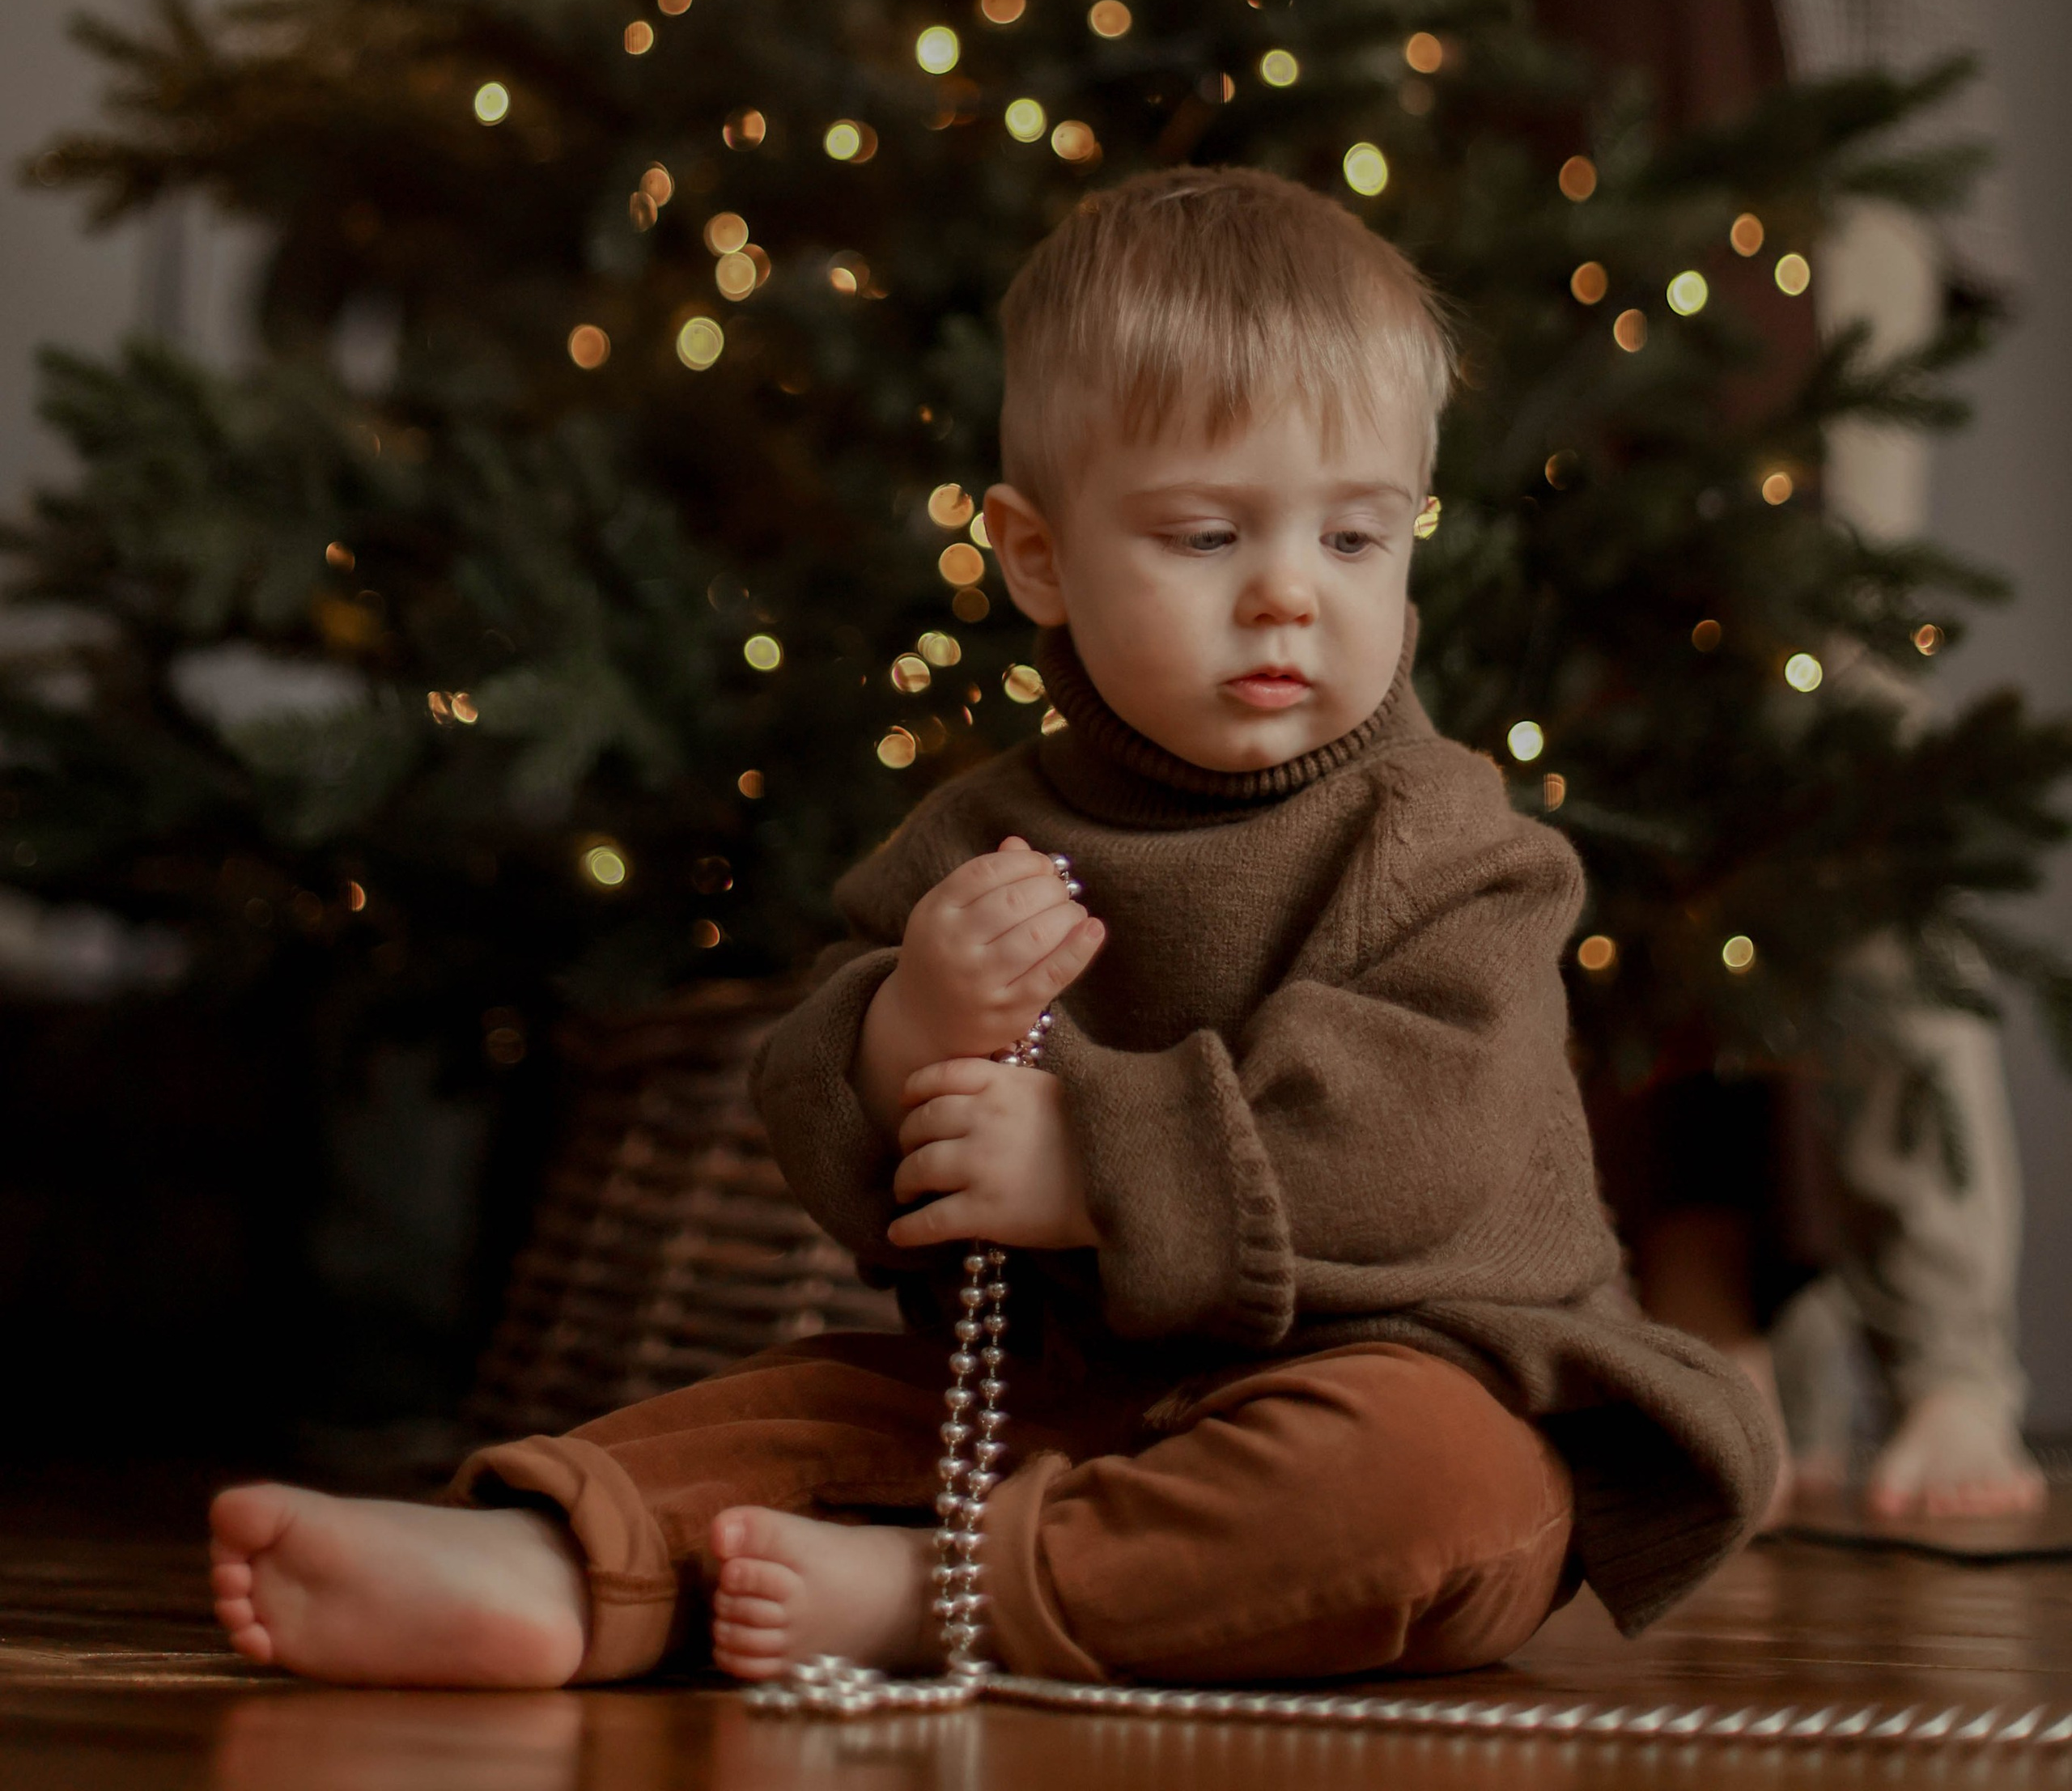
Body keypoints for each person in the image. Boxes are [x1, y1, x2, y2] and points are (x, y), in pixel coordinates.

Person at [209, 169, 1774, 1687]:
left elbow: (1440, 1137)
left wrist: (1096, 1166)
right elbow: (814, 1095)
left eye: (1353, 539)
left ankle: (938, 1593)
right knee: (803, 1407)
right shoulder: (985, 839)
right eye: (1207, 536)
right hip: (1062, 1403)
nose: (1290, 594)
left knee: (1429, 1485)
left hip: (1416, 1379)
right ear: (1038, 556)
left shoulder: (1447, 842)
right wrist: (908, 1035)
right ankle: (560, 1567)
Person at [1372, 0, 2039, 1522]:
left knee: (1842, 740)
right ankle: (1682, 1315)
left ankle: (1956, 1356)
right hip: (1546, 197)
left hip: (1807, 155)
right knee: (1589, 758)